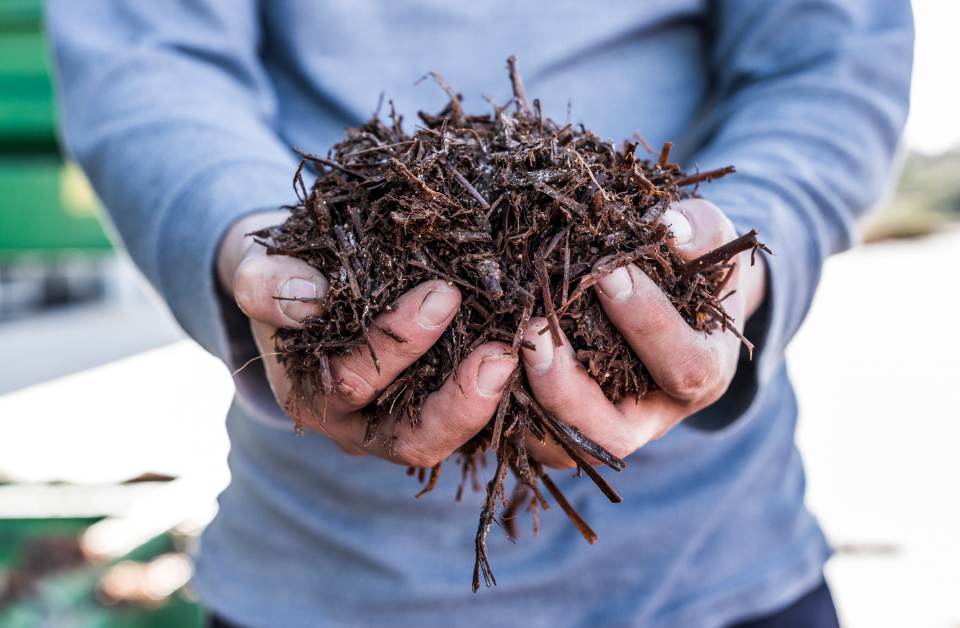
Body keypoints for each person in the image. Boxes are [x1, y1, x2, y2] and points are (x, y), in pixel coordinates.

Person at [45, 1, 913, 626]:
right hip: (324, 579)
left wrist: (733, 256)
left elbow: (833, 51)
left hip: (716, 565)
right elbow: (146, 53)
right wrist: (249, 247)